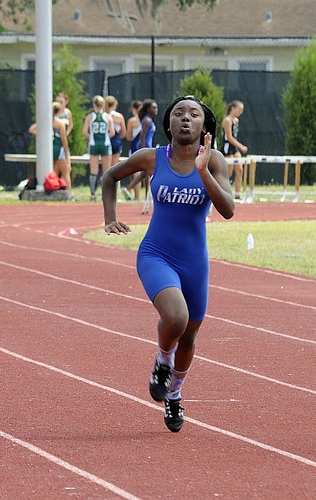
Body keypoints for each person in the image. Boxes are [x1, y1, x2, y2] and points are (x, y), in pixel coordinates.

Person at [100, 96, 234, 432]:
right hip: (156, 253)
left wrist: (204, 171)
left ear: (205, 126)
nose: (185, 119)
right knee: (175, 316)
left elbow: (228, 209)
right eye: (178, 114)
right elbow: (110, 177)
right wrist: (110, 217)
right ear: (169, 123)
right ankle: (162, 361)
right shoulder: (151, 158)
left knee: (189, 337)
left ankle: (174, 394)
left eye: (193, 115)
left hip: (194, 261)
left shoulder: (214, 160)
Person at [83, 95, 115, 202]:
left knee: (94, 170)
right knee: (106, 170)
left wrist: (91, 136)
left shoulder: (90, 117)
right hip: (105, 144)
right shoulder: (108, 117)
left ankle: (93, 193)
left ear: (94, 105)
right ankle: (105, 194)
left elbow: (84, 132)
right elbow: (112, 132)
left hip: (93, 144)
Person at [221, 100, 248, 199]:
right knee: (228, 173)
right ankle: (223, 194)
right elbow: (229, 137)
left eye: (242, 110)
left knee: (240, 170)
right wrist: (241, 146)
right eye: (239, 109)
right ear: (233, 108)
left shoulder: (236, 120)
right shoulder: (227, 120)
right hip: (227, 147)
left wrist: (238, 147)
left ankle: (237, 195)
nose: (241, 112)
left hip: (234, 148)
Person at [124, 99, 144, 200]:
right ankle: (146, 196)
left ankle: (137, 196)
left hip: (135, 147)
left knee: (136, 172)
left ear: (134, 109)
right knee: (146, 172)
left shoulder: (132, 121)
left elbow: (128, 137)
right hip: (146, 147)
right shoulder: (148, 119)